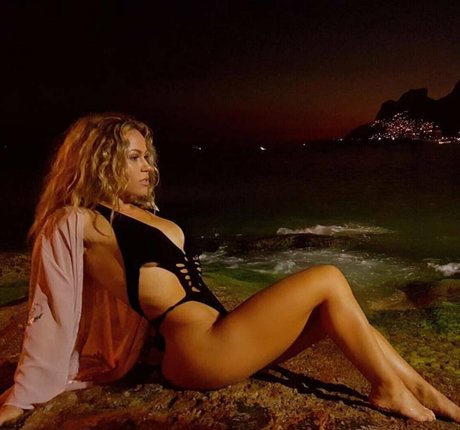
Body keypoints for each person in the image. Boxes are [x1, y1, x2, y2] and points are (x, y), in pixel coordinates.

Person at [0, 113, 459, 426]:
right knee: (328, 278)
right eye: (134, 157)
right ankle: (387, 388)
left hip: (222, 337)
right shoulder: (78, 222)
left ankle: (425, 392)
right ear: (99, 159)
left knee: (341, 315)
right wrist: (24, 395)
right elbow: (51, 306)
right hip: (203, 352)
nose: (148, 167)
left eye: (147, 156)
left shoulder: (134, 212)